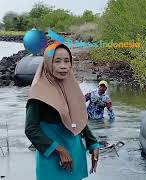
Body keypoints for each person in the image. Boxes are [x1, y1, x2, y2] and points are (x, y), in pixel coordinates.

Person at [25, 43, 100, 180]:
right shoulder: (39, 92)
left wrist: (92, 143)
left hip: (75, 152)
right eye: (57, 61)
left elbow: (77, 119)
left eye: (67, 61)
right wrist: (58, 149)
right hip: (52, 158)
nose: (63, 66)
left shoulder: (71, 87)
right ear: (48, 63)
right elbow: (31, 129)